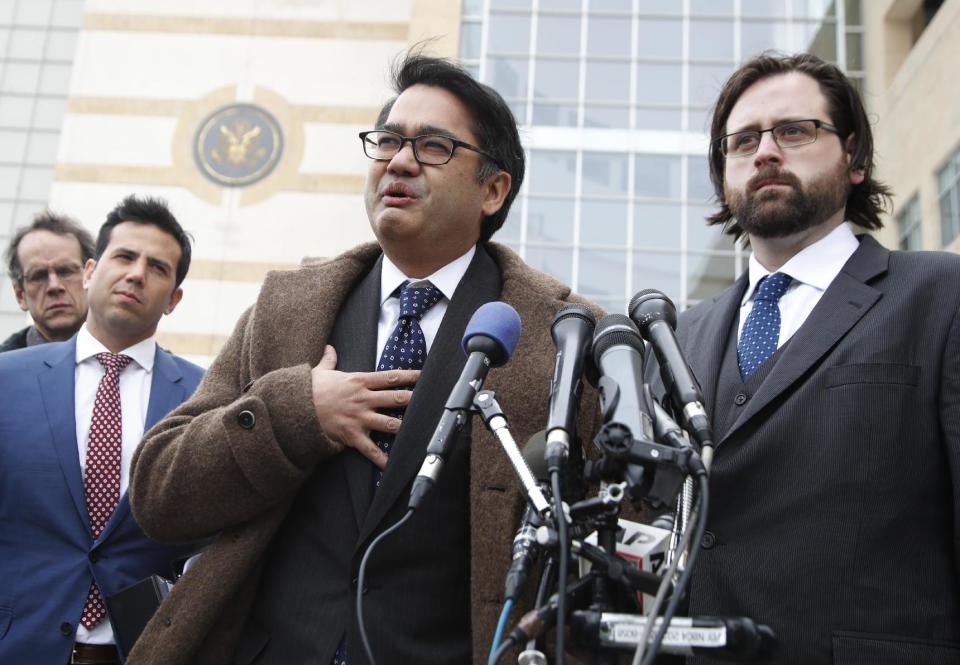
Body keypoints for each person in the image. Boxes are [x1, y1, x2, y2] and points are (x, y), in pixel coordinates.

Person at [126, 53, 601, 665]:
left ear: (493, 189)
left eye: (433, 147)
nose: (399, 161)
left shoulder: (566, 334)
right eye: (387, 142)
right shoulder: (286, 308)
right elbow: (160, 491)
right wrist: (295, 414)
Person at [661, 52, 960, 663]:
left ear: (855, 157)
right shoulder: (678, 337)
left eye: (794, 131)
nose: (765, 152)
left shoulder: (942, 297)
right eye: (743, 141)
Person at [0, 195, 205, 665]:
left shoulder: (204, 398)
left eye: (158, 267)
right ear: (90, 271)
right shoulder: (7, 380)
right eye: (124, 256)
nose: (136, 273)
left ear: (173, 299)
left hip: (140, 651)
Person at [1, 211, 95, 352]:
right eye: (38, 276)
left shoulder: (130, 355)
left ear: (90, 277)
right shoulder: (5, 370)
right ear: (20, 295)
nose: (54, 286)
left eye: (66, 271)